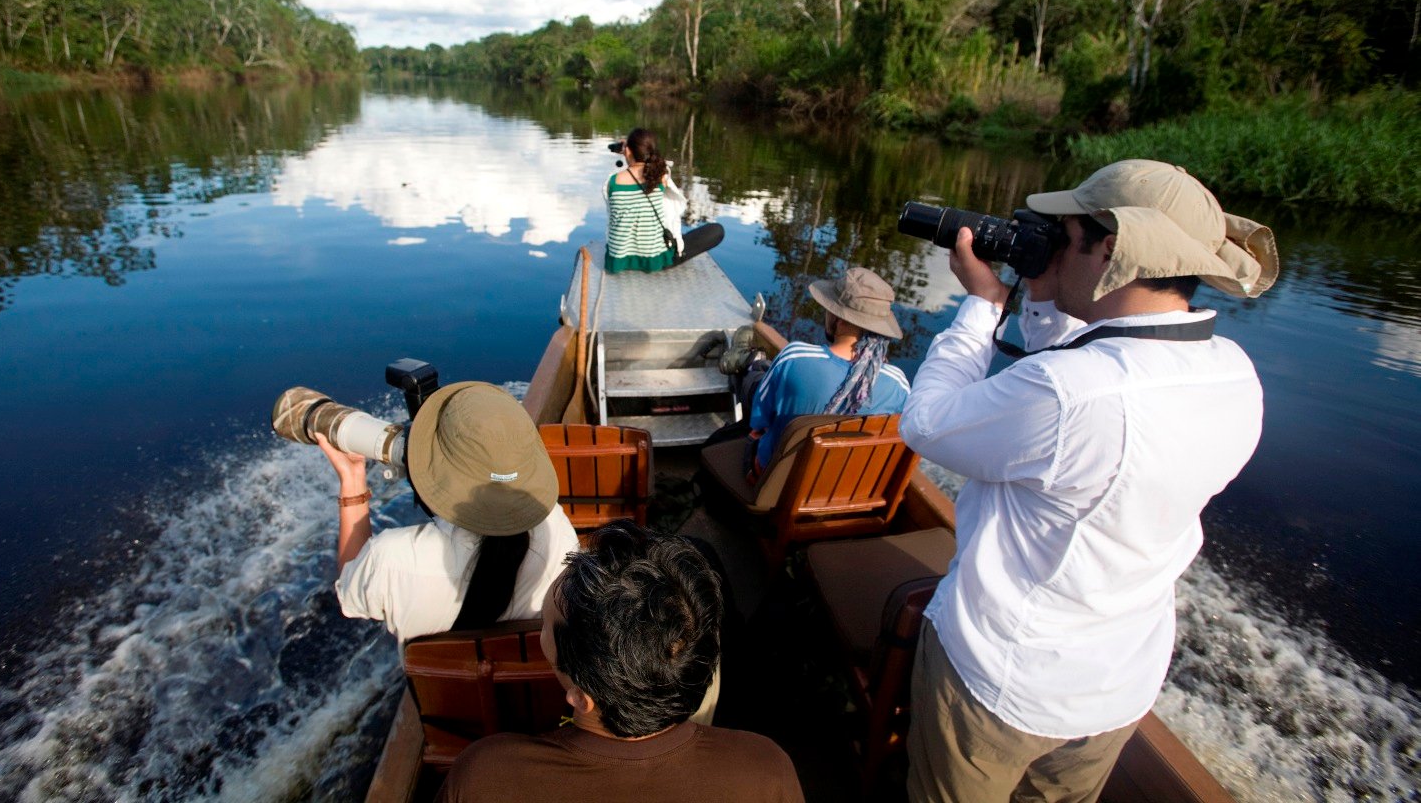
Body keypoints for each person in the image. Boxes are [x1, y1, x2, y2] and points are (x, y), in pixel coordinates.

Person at [897, 160, 1278, 803]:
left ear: (1110, 246)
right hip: (1116, 687)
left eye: (1065, 231)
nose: (1050, 243)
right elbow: (1090, 369)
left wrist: (982, 307)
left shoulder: (1071, 395)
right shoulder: (1234, 374)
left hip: (1003, 683)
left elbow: (927, 423)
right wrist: (1047, 301)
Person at [437, 520, 804, 803]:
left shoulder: (486, 776)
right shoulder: (765, 769)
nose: (540, 633)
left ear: (583, 698)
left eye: (545, 625)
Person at [315, 381, 579, 644]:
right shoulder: (558, 530)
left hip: (437, 687)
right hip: (523, 681)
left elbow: (349, 589)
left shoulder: (390, 558)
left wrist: (352, 479)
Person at [744, 266, 909, 472]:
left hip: (774, 484)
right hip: (844, 493)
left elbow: (759, 421)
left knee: (752, 379)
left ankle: (748, 362)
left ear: (837, 319)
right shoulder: (898, 385)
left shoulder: (794, 357)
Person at [603, 127, 722, 273]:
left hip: (617, 260)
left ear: (627, 151)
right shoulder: (661, 178)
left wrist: (627, 154)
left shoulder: (612, 181)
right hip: (654, 260)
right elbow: (660, 166)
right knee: (717, 230)